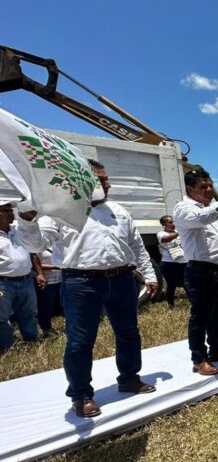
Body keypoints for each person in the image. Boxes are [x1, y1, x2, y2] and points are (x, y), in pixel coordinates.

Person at [17, 160, 159, 417]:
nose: (106, 184)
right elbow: (35, 243)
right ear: (80, 181)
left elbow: (137, 247)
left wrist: (149, 275)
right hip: (81, 283)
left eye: (106, 179)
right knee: (81, 341)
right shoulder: (61, 210)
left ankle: (129, 378)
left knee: (128, 333)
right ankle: (81, 395)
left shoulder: (118, 210)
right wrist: (27, 220)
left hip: (122, 279)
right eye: (99, 180)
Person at [173, 168, 218, 376]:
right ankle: (199, 358)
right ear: (190, 189)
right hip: (202, 273)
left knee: (217, 315)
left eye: (210, 185)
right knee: (200, 317)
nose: (208, 190)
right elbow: (202, 218)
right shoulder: (184, 208)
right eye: (202, 187)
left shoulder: (212, 210)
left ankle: (216, 349)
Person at [0, 201, 39, 354]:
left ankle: (32, 344)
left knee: (29, 314)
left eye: (10, 210)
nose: (11, 213)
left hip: (26, 280)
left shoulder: (17, 231)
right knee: (2, 318)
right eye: (5, 210)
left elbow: (32, 251)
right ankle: (6, 349)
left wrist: (39, 273)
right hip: (3, 283)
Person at [157, 215, 187, 308]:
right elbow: (166, 239)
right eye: (170, 222)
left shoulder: (178, 232)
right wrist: (179, 232)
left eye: (173, 222)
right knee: (171, 284)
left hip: (183, 262)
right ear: (164, 224)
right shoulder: (161, 233)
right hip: (168, 263)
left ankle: (193, 303)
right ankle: (171, 305)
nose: (173, 224)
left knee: (187, 283)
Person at [31, 249, 61, 336]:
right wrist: (56, 267)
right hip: (46, 281)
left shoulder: (56, 243)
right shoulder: (36, 246)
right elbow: (32, 265)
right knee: (45, 307)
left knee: (55, 306)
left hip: (60, 279)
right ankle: (46, 329)